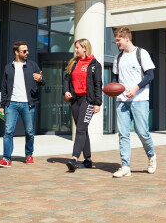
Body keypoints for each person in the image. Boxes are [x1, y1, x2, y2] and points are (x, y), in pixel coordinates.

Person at [111, 27, 156, 178]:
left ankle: (151, 156)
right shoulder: (117, 58)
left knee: (142, 132)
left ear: (126, 39)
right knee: (123, 134)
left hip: (140, 99)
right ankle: (125, 167)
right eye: (116, 40)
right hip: (122, 101)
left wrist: (135, 88)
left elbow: (150, 75)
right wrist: (113, 91)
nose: (117, 42)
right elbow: (114, 79)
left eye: (118, 40)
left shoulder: (141, 53)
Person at [0, 41, 45, 167]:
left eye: (27, 50)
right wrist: (2, 105)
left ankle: (29, 155)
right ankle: (6, 158)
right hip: (12, 104)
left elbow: (42, 82)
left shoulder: (33, 65)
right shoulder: (8, 67)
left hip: (28, 104)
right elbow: (4, 88)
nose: (27, 53)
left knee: (29, 131)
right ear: (16, 52)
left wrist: (41, 80)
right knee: (8, 131)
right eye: (24, 51)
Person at [62, 39, 102, 172]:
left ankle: (74, 158)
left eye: (78, 47)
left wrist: (97, 103)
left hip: (88, 100)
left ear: (85, 48)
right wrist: (66, 91)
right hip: (75, 100)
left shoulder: (94, 64)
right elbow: (66, 79)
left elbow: (98, 84)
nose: (76, 50)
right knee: (83, 130)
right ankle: (88, 160)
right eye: (75, 48)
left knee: (80, 128)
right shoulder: (73, 63)